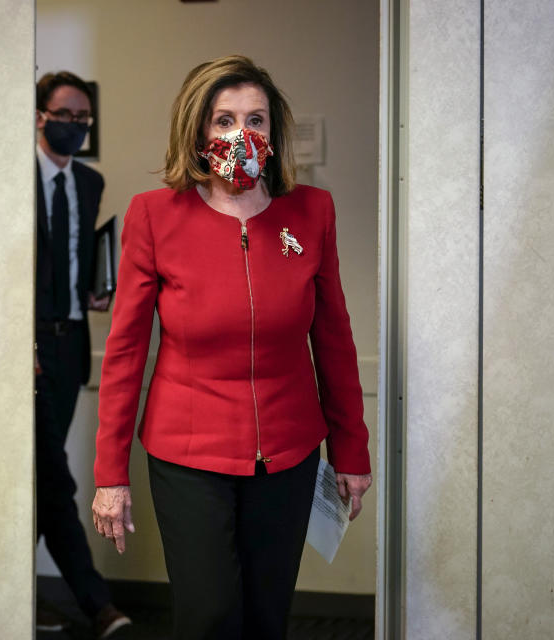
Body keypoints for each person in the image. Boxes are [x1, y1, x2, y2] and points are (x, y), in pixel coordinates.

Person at [90, 55, 372, 640]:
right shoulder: (155, 215)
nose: (241, 134)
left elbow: (335, 339)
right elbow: (124, 353)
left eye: (256, 119)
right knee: (210, 616)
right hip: (188, 454)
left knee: (268, 617)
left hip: (289, 455)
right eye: (223, 120)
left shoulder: (311, 212)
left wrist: (352, 450)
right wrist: (110, 474)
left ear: (274, 131)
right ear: (197, 132)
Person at [33, 71, 131, 638]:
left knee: (41, 475)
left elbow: (75, 259)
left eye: (82, 119)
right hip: (28, 346)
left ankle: (15, 597)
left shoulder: (89, 182)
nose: (73, 125)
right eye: (63, 115)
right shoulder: (12, 177)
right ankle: (97, 604)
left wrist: (95, 291)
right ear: (40, 116)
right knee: (53, 476)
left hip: (73, 344)